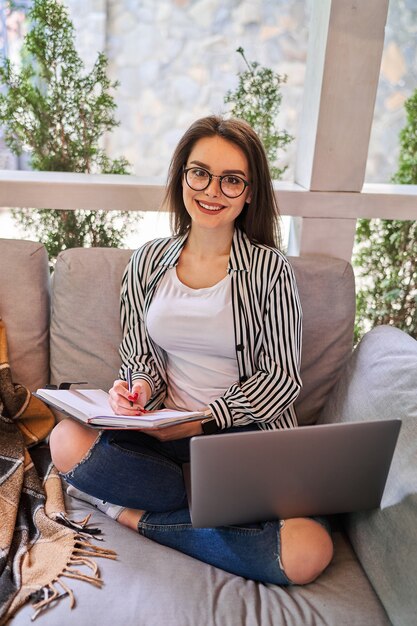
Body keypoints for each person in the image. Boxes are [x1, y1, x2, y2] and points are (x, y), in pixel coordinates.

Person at [50, 115, 333, 586]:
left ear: (249, 193)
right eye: (199, 172)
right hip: (162, 442)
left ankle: (137, 517)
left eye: (232, 180)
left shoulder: (269, 271)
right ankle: (194, 503)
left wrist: (205, 418)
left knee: (308, 551)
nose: (212, 190)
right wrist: (137, 390)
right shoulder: (147, 261)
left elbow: (281, 379)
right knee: (63, 439)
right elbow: (140, 356)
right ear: (183, 175)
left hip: (243, 442)